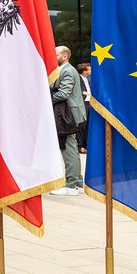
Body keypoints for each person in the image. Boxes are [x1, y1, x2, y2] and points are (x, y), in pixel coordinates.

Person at [50, 47, 85, 196]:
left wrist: (46, 99)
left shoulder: (67, 71)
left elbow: (64, 93)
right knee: (72, 149)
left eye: (56, 54)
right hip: (70, 114)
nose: (53, 56)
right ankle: (77, 183)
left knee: (68, 149)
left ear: (64, 56)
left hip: (68, 114)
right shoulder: (66, 70)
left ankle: (71, 186)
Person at [76, 63, 91, 154]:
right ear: (84, 71)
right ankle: (80, 146)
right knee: (81, 126)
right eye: (89, 69)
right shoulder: (78, 79)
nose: (90, 71)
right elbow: (78, 90)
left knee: (87, 126)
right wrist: (86, 93)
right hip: (82, 104)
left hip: (89, 104)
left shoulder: (87, 80)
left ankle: (85, 145)